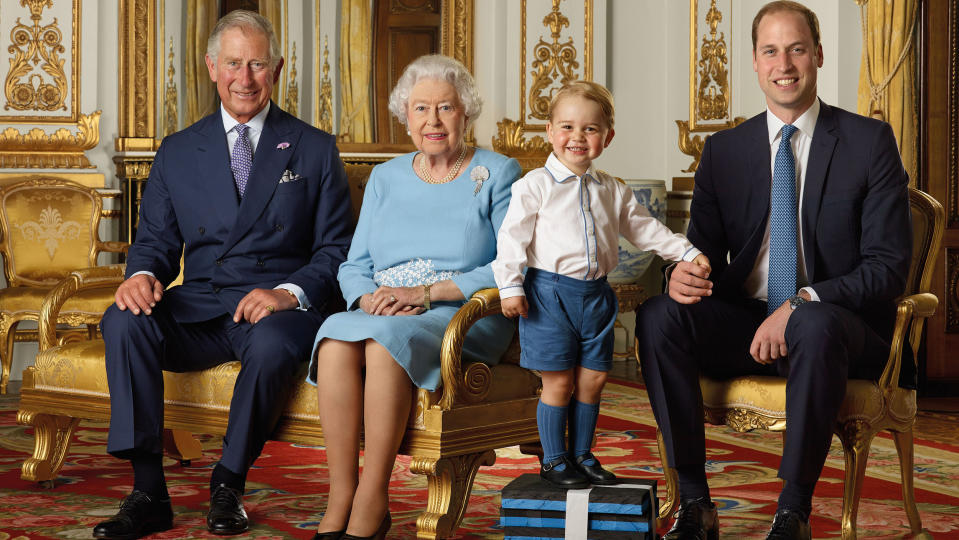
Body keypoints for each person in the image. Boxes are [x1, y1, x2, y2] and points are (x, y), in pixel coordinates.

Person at [635, 2, 913, 539]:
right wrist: (683, 275)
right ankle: (695, 502)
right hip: (748, 324)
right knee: (660, 316)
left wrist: (801, 301)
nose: (784, 63)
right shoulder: (724, 150)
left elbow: (887, 269)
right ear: (755, 65)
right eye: (770, 51)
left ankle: (792, 512)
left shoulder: (868, 143)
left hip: (838, 326)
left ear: (818, 55)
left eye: (796, 48)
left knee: (812, 321)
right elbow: (703, 253)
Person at [93, 10, 352, 539]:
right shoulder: (179, 149)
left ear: (277, 69)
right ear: (212, 67)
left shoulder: (315, 147)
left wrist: (287, 293)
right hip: (204, 303)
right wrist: (141, 275)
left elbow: (337, 250)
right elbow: (157, 245)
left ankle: (228, 483)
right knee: (124, 319)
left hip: (274, 308)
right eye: (234, 63)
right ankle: (148, 491)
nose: (245, 78)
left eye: (257, 64)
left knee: (276, 343)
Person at [310, 54, 521, 539]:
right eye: (420, 109)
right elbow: (354, 265)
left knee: (384, 341)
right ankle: (341, 491)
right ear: (405, 116)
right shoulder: (386, 177)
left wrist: (424, 293)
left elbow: (507, 264)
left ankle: (372, 496)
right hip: (386, 308)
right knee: (336, 337)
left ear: (465, 113)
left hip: (461, 311)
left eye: (445, 108)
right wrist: (367, 299)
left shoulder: (498, 172)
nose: (433, 120)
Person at [492, 80, 710, 489]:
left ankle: (582, 454)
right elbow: (511, 240)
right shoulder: (533, 186)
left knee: (592, 379)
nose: (578, 137)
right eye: (567, 127)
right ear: (550, 132)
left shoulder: (611, 189)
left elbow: (645, 229)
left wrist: (684, 251)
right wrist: (510, 287)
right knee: (558, 380)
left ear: (607, 137)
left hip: (596, 296)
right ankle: (554, 460)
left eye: (590, 129)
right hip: (549, 295)